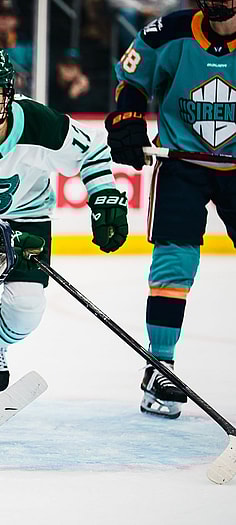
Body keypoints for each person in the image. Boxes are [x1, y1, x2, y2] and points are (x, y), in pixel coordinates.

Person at [0, 47, 128, 396]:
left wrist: (104, 195)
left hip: (28, 220)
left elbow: (91, 151)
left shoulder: (42, 123)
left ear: (8, 95)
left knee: (26, 309)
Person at [105, 1, 236, 418]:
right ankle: (161, 366)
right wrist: (126, 119)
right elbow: (132, 80)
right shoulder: (169, 31)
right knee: (174, 263)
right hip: (181, 164)